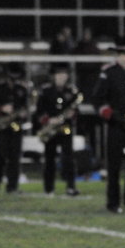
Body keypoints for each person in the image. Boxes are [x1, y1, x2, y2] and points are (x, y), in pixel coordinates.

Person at [91, 35, 125, 213]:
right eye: (122, 53)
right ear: (117, 54)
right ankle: (113, 202)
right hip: (116, 125)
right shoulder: (108, 72)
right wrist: (111, 114)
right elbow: (97, 100)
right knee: (114, 165)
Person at [35, 62, 81, 197]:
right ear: (54, 76)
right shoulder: (45, 91)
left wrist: (73, 114)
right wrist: (48, 120)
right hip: (50, 129)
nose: (62, 77)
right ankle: (49, 188)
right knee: (49, 159)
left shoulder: (72, 91)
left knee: (69, 158)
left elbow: (77, 111)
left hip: (65, 127)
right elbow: (38, 111)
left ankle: (71, 186)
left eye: (64, 74)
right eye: (59, 74)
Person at [0, 62, 31, 195]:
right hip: (1, 126)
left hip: (16, 126)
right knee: (0, 156)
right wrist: (1, 108)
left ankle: (12, 186)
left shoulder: (22, 90)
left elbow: (25, 107)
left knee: (15, 157)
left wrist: (23, 114)